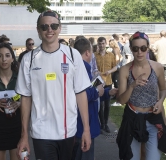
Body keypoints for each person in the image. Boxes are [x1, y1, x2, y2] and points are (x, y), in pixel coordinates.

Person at [16, 10, 91, 160]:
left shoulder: (72, 54)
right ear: (38, 30)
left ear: (60, 28)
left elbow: (80, 93)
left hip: (68, 131)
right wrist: (24, 136)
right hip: (41, 132)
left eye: (54, 26)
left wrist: (86, 130)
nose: (49, 30)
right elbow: (25, 98)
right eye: (44, 27)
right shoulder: (29, 59)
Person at [116, 31, 166, 160]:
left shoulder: (157, 67)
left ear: (148, 47)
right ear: (131, 49)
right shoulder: (125, 70)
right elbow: (121, 100)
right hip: (133, 118)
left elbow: (163, 89)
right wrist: (132, 85)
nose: (139, 52)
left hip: (153, 119)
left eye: (143, 48)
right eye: (135, 48)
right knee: (132, 157)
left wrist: (160, 101)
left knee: (153, 158)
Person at [72, 37, 118, 160]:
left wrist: (107, 93)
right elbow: (82, 96)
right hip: (82, 126)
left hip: (78, 126)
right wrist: (97, 90)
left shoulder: (75, 68)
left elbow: (90, 95)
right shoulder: (82, 69)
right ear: (88, 52)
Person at [95, 37, 116, 133]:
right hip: (99, 83)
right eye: (100, 44)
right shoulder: (94, 55)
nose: (101, 45)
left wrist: (110, 71)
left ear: (106, 44)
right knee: (101, 105)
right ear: (97, 44)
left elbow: (115, 67)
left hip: (108, 82)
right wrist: (96, 72)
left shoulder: (111, 55)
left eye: (103, 43)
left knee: (107, 105)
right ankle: (102, 123)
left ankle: (106, 124)